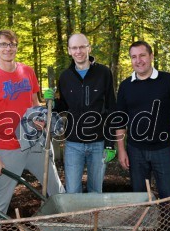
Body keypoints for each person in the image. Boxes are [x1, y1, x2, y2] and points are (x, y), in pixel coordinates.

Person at [0, 29, 65, 214]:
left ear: (16, 47)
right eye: (3, 44)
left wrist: (40, 118)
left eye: (12, 44)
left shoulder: (27, 71)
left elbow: (35, 104)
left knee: (57, 191)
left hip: (35, 143)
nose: (8, 48)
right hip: (8, 148)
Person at [44, 33, 117, 193]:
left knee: (95, 190)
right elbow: (64, 106)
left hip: (98, 143)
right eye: (74, 48)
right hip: (73, 144)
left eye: (82, 46)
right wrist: (52, 101)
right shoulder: (65, 77)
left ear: (89, 48)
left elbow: (112, 108)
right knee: (72, 191)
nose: (79, 51)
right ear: (69, 51)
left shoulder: (104, 73)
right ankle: (76, 219)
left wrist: (111, 143)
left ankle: (93, 219)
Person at [115, 40, 170, 199]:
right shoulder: (126, 86)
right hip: (135, 151)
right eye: (134, 57)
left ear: (151, 56)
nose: (138, 60)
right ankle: (145, 225)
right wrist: (121, 149)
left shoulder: (167, 80)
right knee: (140, 199)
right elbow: (120, 120)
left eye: (142, 55)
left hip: (164, 150)